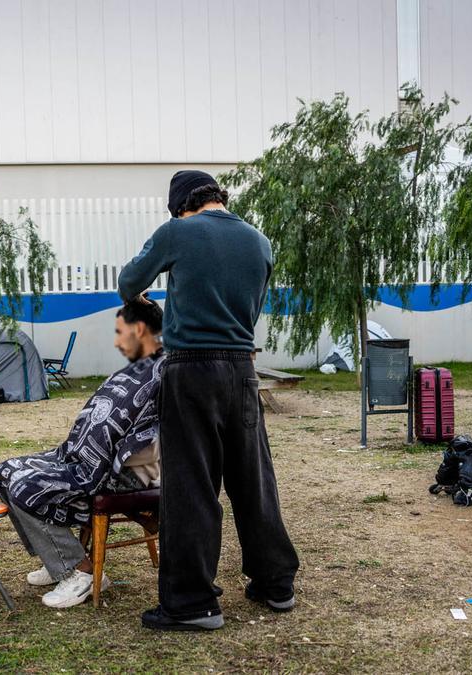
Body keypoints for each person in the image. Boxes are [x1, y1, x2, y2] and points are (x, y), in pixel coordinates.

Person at [118, 170, 299, 631]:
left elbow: (128, 282)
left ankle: (191, 603)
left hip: (190, 369)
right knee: (252, 479)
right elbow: (250, 306)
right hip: (241, 368)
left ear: (181, 205)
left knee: (191, 485)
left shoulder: (177, 231)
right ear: (219, 198)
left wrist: (145, 295)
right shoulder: (259, 241)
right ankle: (276, 583)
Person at [0, 299, 164, 608]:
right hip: (77, 458)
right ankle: (55, 557)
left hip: (114, 472)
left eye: (119, 332)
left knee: (26, 485)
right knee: (6, 471)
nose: (115, 340)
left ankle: (78, 571)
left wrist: (122, 464)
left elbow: (154, 434)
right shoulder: (136, 368)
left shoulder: (164, 372)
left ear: (138, 330)